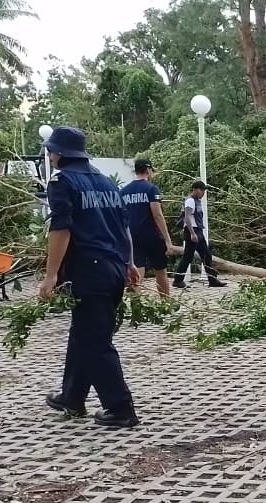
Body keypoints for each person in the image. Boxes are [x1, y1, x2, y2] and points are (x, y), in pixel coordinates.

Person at [37, 126, 143, 428]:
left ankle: (121, 408)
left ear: (59, 153)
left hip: (89, 270)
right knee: (84, 334)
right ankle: (72, 396)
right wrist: (129, 263)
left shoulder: (62, 182)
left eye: (51, 150)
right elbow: (124, 227)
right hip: (112, 268)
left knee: (95, 342)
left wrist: (51, 274)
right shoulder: (105, 181)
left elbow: (60, 229)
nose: (49, 155)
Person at [119, 159, 176, 296]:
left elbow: (121, 215)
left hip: (132, 235)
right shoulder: (151, 189)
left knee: (137, 270)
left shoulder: (124, 191)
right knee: (160, 269)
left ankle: (135, 303)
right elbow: (157, 214)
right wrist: (168, 240)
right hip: (152, 235)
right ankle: (165, 302)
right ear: (148, 170)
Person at [172, 181, 227, 289]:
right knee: (187, 257)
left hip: (198, 231)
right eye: (202, 190)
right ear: (196, 189)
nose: (203, 193)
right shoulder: (190, 201)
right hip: (192, 231)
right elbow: (187, 217)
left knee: (207, 255)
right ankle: (177, 280)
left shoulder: (197, 201)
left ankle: (213, 280)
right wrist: (192, 233)